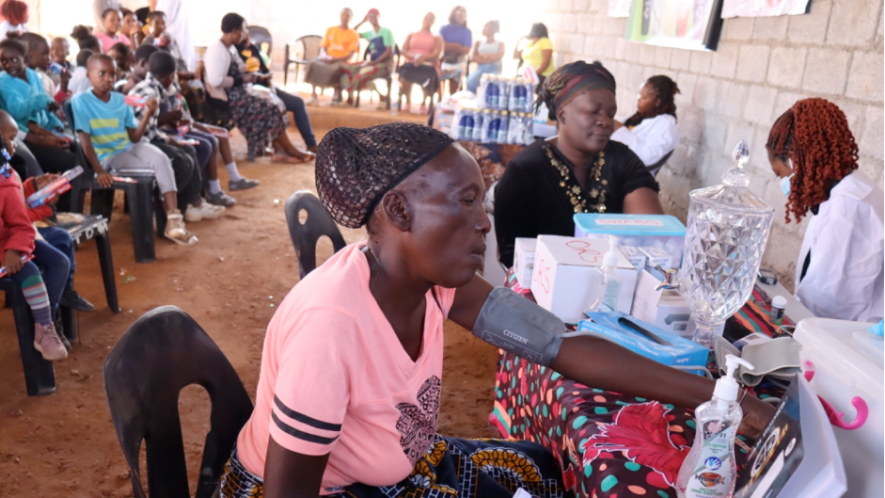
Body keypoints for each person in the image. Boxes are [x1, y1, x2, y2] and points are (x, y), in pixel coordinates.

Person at [216, 122, 775, 497]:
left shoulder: (436, 285)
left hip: (395, 466)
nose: (484, 221)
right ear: (398, 211)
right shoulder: (331, 327)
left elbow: (562, 346)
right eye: (464, 202)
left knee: (541, 468)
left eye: (481, 200)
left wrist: (722, 397)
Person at [494, 62, 663, 267]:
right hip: (542, 292)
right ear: (562, 113)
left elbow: (650, 236)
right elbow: (513, 256)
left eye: (611, 114)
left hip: (617, 285)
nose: (605, 122)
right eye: (593, 111)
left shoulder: (623, 160)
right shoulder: (526, 169)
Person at [766, 98, 885, 322]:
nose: (783, 183)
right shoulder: (852, 191)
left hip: (849, 339)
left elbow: (828, 306)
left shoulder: (847, 209)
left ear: (795, 162)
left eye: (780, 174)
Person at [72, 53, 197, 245]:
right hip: (109, 155)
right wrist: (99, 170)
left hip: (130, 145)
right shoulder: (81, 101)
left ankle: (174, 222)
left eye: (112, 74)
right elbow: (85, 141)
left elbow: (134, 137)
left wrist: (148, 114)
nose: (108, 79)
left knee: (162, 159)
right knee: (151, 171)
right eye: (102, 74)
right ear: (89, 75)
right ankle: (157, 220)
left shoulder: (121, 100)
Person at [0, 115, 68, 361]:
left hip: (7, 245)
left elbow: (20, 223)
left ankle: (44, 325)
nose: (14, 144)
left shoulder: (6, 179)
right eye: (9, 138)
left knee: (49, 265)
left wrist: (13, 250)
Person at [128, 50, 225, 221]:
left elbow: (150, 129)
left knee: (188, 149)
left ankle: (194, 203)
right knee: (180, 162)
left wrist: (171, 140)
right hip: (138, 143)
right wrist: (169, 139)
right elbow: (144, 133)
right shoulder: (151, 94)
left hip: (147, 137)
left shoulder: (150, 86)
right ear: (171, 76)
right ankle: (162, 213)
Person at [204, 13, 313, 163]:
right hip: (227, 99)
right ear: (235, 31)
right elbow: (215, 81)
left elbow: (239, 71)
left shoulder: (230, 48)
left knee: (275, 101)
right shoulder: (218, 49)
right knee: (271, 107)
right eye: (243, 30)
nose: (244, 34)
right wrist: (242, 79)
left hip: (239, 93)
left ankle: (280, 149)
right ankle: (289, 150)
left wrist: (253, 76)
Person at [0, 38, 81, 176]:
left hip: (42, 131)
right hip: (23, 138)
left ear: (25, 59)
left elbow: (46, 110)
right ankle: (64, 197)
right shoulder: (4, 82)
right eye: (3, 62)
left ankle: (85, 194)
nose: (8, 65)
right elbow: (18, 111)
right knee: (72, 161)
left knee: (80, 150)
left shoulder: (34, 76)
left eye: (13, 60)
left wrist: (55, 126)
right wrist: (41, 101)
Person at [236, 33, 318, 153]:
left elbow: (264, 70)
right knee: (274, 105)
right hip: (252, 92)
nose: (248, 37)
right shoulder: (233, 53)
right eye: (243, 32)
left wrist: (266, 77)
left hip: (267, 87)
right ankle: (279, 147)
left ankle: (311, 144)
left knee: (298, 102)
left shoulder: (252, 49)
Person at [611, 75, 680, 169]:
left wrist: (619, 129)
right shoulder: (636, 116)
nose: (638, 99)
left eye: (643, 97)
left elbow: (647, 158)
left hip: (628, 175)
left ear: (657, 102)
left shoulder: (666, 125)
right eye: (639, 95)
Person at [304, 8, 359, 106]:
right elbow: (323, 47)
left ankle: (336, 93)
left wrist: (334, 59)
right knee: (312, 63)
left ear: (350, 18)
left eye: (347, 15)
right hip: (327, 58)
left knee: (335, 68)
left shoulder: (353, 34)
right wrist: (326, 57)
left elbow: (349, 55)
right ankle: (313, 96)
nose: (345, 17)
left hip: (341, 60)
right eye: (343, 15)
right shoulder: (331, 30)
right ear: (340, 16)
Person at [347, 8, 395, 108]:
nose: (372, 19)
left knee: (362, 73)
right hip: (373, 65)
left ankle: (350, 99)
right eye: (370, 17)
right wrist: (363, 21)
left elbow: (389, 51)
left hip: (385, 65)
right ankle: (381, 96)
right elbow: (352, 32)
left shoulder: (386, 32)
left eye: (374, 16)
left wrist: (375, 62)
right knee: (353, 69)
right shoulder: (370, 34)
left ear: (379, 17)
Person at [397, 12, 443, 114]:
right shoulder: (412, 34)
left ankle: (423, 103)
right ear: (423, 19)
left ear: (433, 22)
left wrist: (423, 58)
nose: (428, 21)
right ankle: (407, 101)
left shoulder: (437, 37)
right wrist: (415, 57)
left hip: (428, 65)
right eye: (427, 18)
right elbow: (403, 50)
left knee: (428, 79)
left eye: (431, 19)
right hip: (411, 63)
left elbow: (437, 53)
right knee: (404, 74)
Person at [143, 11, 197, 82]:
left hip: (178, 74)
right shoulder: (148, 41)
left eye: (164, 23)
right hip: (164, 77)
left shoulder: (171, 40)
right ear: (150, 24)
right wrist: (179, 74)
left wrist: (186, 70)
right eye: (157, 23)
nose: (161, 26)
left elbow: (179, 59)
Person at [154, 0, 195, 71]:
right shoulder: (152, 39)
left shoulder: (159, 39)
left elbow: (164, 17)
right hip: (177, 40)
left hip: (173, 41)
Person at [439, 5, 471, 95]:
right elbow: (440, 45)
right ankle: (440, 101)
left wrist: (448, 46)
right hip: (444, 60)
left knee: (456, 76)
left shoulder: (467, 31)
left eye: (463, 14)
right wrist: (458, 45)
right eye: (459, 13)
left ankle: (452, 99)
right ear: (453, 14)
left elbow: (466, 50)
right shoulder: (444, 28)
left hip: (459, 62)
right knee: (438, 73)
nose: (461, 15)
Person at [465, 20, 504, 94]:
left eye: (486, 26)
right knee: (471, 81)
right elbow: (473, 58)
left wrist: (484, 55)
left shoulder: (500, 43)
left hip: (495, 70)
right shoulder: (478, 42)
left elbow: (499, 56)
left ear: (494, 29)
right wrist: (491, 58)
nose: (483, 28)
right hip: (481, 69)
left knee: (495, 83)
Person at [515, 23, 554, 87]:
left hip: (540, 77)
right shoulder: (530, 44)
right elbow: (515, 56)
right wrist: (519, 40)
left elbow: (546, 62)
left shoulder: (545, 41)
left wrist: (533, 75)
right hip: (526, 76)